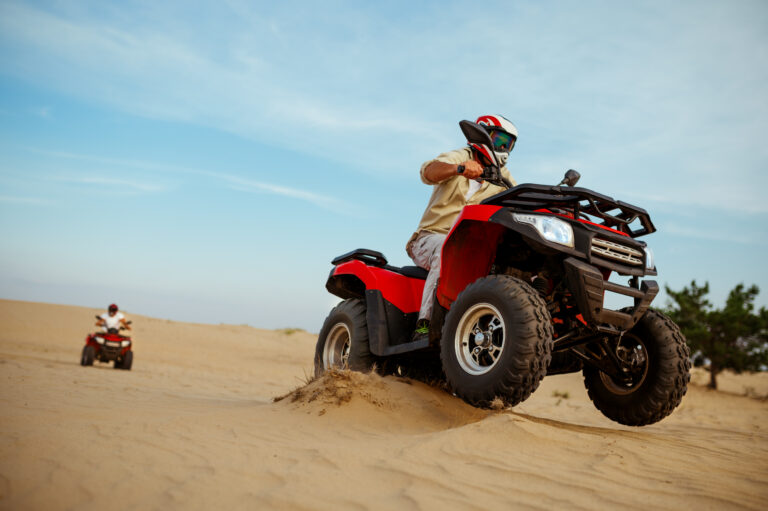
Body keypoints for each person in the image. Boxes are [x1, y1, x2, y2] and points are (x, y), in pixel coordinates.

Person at [406, 114, 518, 342]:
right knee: (446, 249)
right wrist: (459, 168)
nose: (503, 148)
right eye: (499, 141)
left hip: (470, 249)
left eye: (508, 144)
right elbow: (428, 172)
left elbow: (518, 196)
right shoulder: (461, 156)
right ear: (483, 135)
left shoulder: (502, 175)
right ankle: (425, 325)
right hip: (430, 239)